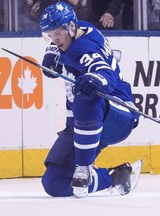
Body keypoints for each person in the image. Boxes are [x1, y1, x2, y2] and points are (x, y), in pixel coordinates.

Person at [39, 2, 140, 198]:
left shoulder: (83, 49)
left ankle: (83, 168)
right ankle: (116, 176)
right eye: (50, 36)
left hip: (117, 111)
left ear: (70, 27)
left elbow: (106, 74)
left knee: (84, 95)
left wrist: (95, 80)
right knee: (54, 182)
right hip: (88, 117)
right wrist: (53, 51)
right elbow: (70, 35)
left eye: (57, 34)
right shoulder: (80, 28)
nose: (55, 40)